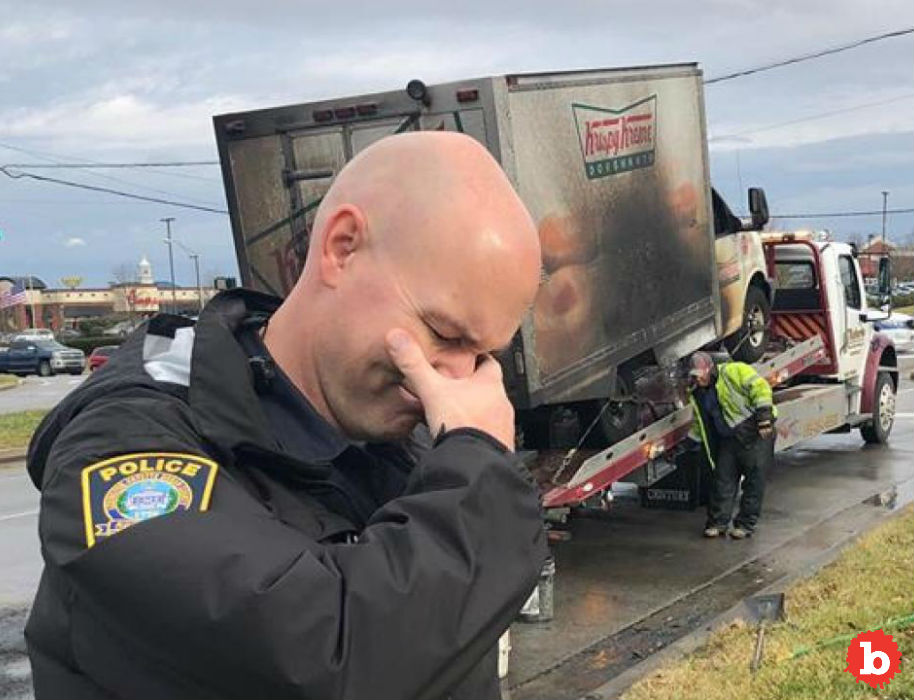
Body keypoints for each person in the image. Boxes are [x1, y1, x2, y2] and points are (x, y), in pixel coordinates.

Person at [24, 132, 548, 700]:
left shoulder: (408, 451)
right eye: (444, 335)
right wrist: (480, 474)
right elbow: (325, 661)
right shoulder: (131, 447)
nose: (453, 380)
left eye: (482, 357)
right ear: (342, 247)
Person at [686, 351, 776, 539]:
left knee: (754, 481)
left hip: (755, 433)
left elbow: (760, 387)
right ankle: (717, 523)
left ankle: (745, 525)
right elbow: (700, 421)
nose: (698, 379)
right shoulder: (698, 393)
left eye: (700, 374)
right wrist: (692, 441)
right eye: (694, 375)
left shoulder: (734, 371)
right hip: (729, 439)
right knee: (723, 480)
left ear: (709, 369)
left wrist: (764, 417)